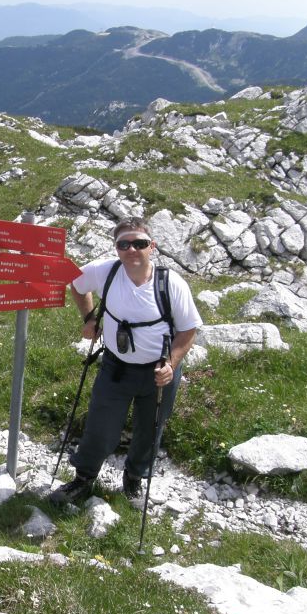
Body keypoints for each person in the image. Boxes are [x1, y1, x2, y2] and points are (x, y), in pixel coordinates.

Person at [49, 217, 202, 506]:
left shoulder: (171, 283)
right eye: (124, 244)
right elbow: (77, 286)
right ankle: (84, 479)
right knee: (100, 424)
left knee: (151, 427)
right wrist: (89, 318)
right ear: (116, 248)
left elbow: (188, 329)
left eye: (139, 243)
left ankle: (134, 478)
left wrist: (171, 364)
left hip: (159, 372)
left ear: (152, 247)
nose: (132, 249)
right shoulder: (104, 271)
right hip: (115, 367)